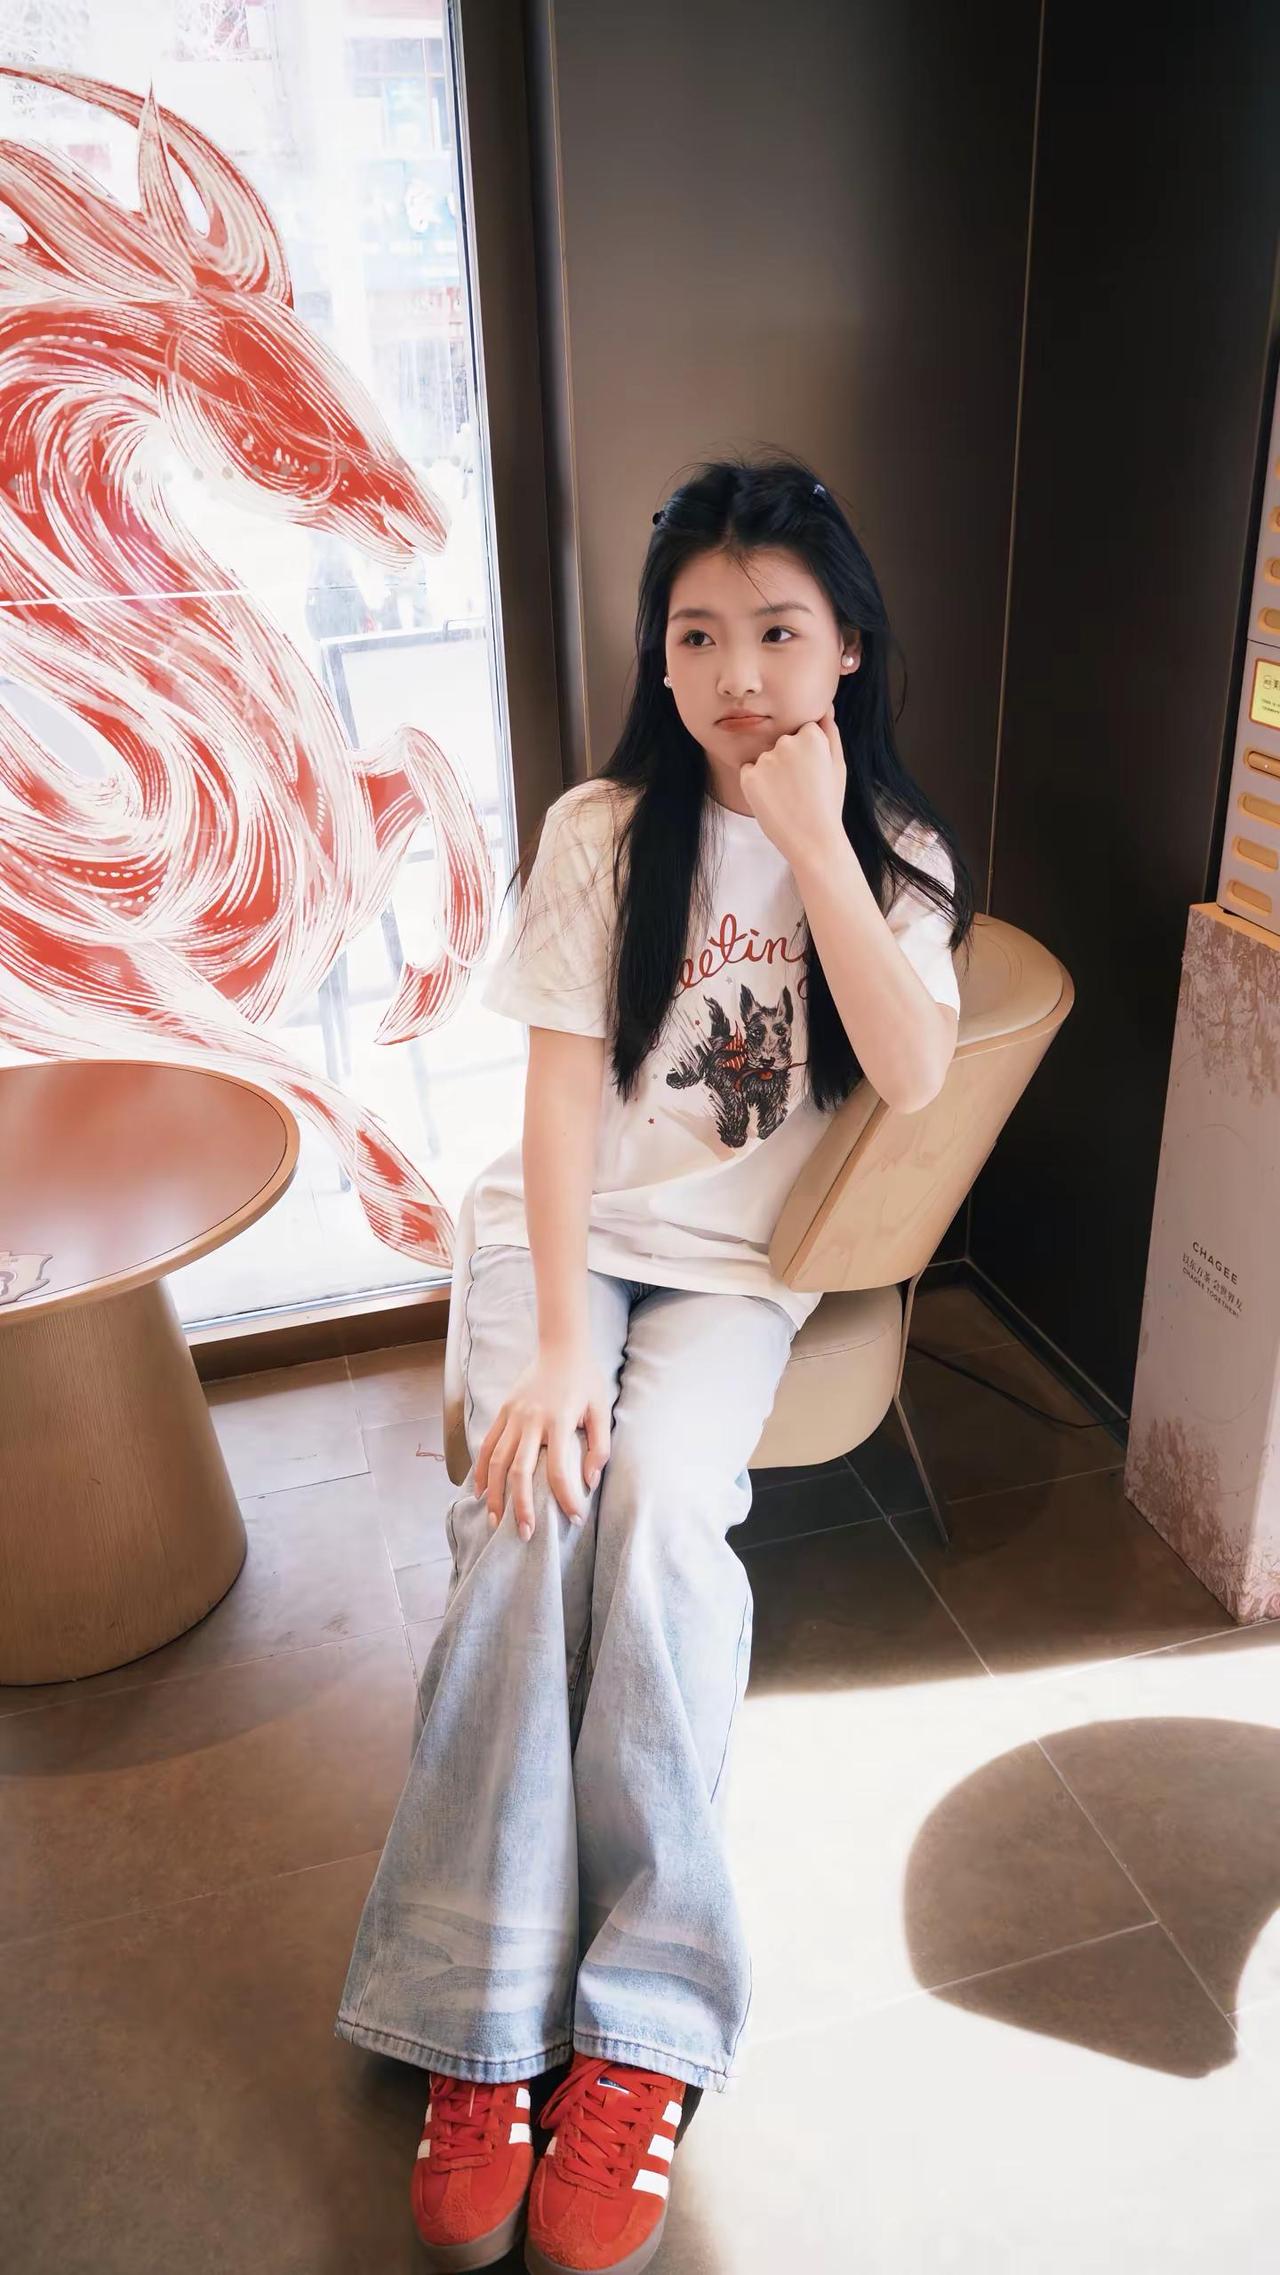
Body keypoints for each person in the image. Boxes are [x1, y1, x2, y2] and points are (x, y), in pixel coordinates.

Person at [334, 453, 975, 2275]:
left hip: (734, 1278)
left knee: (669, 1518)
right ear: (660, 657)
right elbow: (553, 1098)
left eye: (778, 630)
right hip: (564, 1241)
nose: (736, 672)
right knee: (530, 1510)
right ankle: (479, 2022)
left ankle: (643, 2030)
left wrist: (822, 839)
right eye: (696, 635)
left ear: (848, 648)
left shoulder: (901, 858)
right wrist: (557, 1351)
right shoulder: (604, 830)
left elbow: (912, 1072)